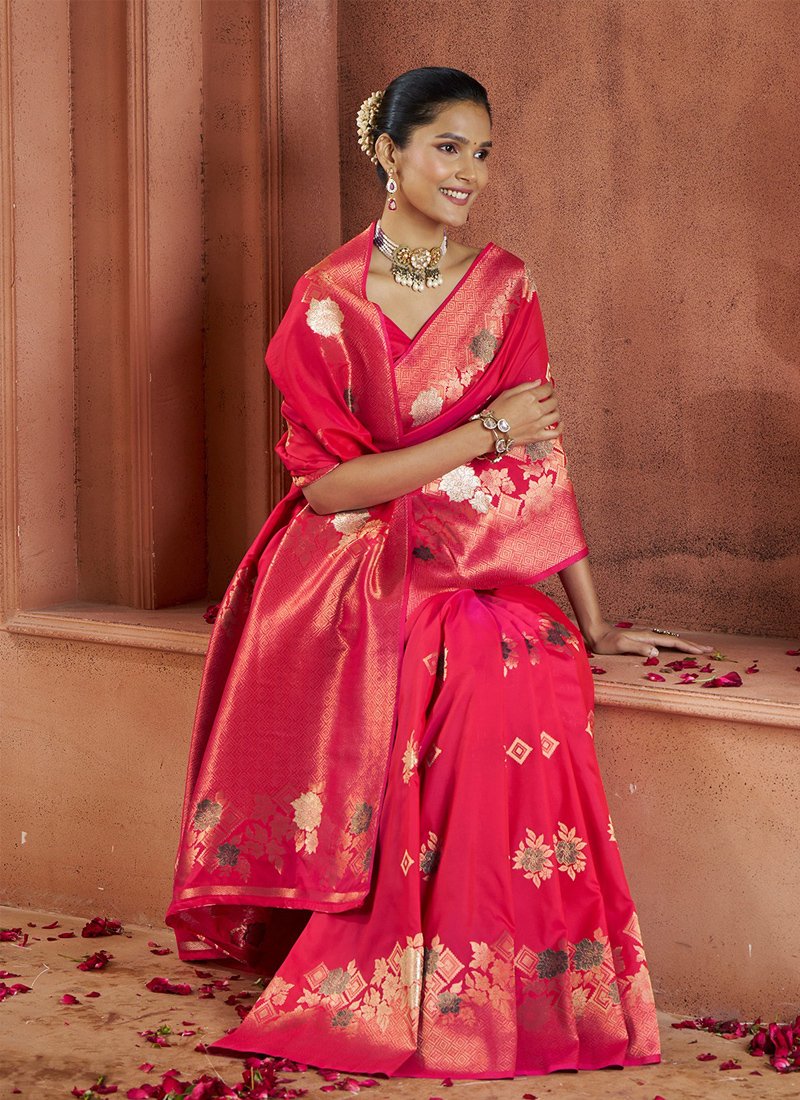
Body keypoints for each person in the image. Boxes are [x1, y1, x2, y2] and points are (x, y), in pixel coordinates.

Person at [165, 66, 713, 1080]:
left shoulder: (504, 285)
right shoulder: (325, 301)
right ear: (387, 152)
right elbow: (330, 491)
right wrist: (479, 433)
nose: (470, 171)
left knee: (522, 656)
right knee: (453, 655)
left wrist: (592, 618)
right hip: (347, 559)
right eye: (448, 147)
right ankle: (409, 961)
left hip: (468, 552)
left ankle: (502, 966)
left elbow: (539, 462)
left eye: (483, 151)